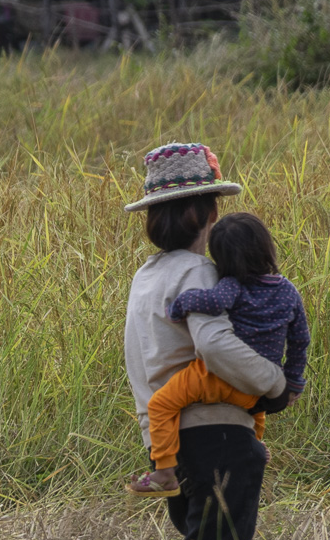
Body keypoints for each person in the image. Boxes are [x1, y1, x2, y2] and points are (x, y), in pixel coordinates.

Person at [121, 143, 289, 540]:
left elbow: (140, 362)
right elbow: (214, 344)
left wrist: (154, 439)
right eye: (214, 205)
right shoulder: (200, 272)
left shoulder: (146, 277)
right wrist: (273, 382)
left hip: (170, 443)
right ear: (204, 213)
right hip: (216, 434)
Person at [126, 211, 309, 496]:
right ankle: (257, 442)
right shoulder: (288, 291)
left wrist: (180, 304)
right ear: (267, 247)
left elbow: (211, 304)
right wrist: (292, 382)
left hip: (217, 378)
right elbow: (300, 340)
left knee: (161, 403)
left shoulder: (231, 286)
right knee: (256, 410)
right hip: (252, 390)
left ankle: (164, 471)